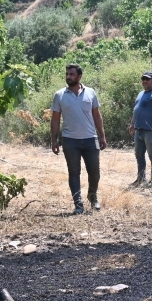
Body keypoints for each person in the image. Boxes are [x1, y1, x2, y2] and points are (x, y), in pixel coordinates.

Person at [51, 63, 107, 215]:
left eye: (72, 74)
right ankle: (78, 204)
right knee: (74, 172)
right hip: (70, 141)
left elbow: (97, 115)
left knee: (94, 172)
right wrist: (54, 140)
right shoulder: (60, 95)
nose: (68, 77)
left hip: (90, 139)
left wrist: (102, 135)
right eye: (67, 74)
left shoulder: (90, 93)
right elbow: (55, 119)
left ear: (79, 76)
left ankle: (92, 195)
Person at [129, 70, 152, 186]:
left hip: (151, 130)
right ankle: (140, 179)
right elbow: (136, 110)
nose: (145, 81)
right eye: (143, 79)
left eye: (147, 79)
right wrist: (132, 124)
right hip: (139, 130)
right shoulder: (140, 94)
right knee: (139, 155)